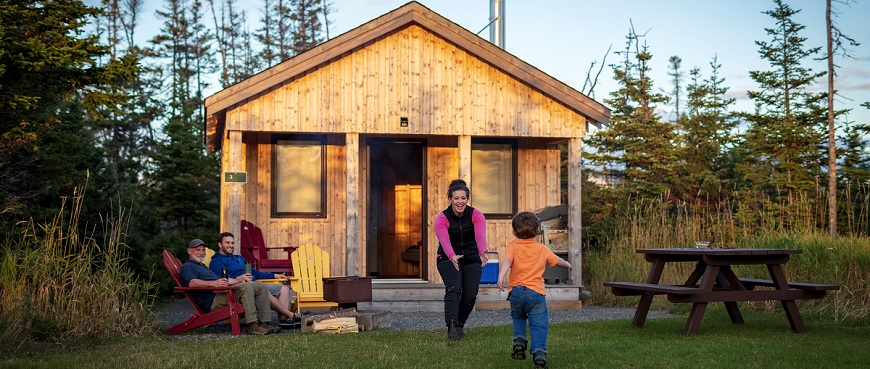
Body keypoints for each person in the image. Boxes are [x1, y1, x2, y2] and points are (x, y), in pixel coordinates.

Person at [497, 212, 572, 369]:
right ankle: (539, 352)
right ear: (537, 230)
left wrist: (501, 276)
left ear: (513, 232)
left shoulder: (513, 246)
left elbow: (507, 261)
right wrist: (568, 264)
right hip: (535, 294)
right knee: (539, 323)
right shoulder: (541, 248)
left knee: (518, 317)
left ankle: (519, 340)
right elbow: (557, 261)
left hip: (516, 292)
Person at [180, 239, 279, 335]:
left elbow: (221, 279)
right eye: (198, 250)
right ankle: (253, 326)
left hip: (221, 293)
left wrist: (237, 280)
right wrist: (213, 283)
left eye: (203, 250)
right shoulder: (188, 267)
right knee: (245, 287)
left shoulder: (202, 266)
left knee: (259, 286)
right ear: (189, 251)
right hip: (212, 300)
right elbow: (192, 283)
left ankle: (265, 323)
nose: (201, 252)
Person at [208, 232, 302, 328]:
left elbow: (255, 272)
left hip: (253, 284)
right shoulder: (216, 261)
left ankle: (283, 321)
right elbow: (221, 280)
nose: (231, 246)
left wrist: (273, 275)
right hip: (240, 289)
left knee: (284, 289)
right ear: (220, 244)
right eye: (227, 243)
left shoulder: (239, 258)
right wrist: (238, 279)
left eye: (232, 243)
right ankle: (290, 315)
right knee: (262, 289)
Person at [434, 179, 488, 340]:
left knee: (470, 294)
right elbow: (444, 241)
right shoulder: (442, 218)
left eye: (463, 198)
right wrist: (451, 256)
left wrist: (483, 251)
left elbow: (480, 235)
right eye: (456, 198)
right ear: (450, 199)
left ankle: (459, 325)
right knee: (454, 288)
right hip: (447, 258)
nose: (460, 202)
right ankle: (451, 326)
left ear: (467, 199)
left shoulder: (476, 214)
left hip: (471, 258)